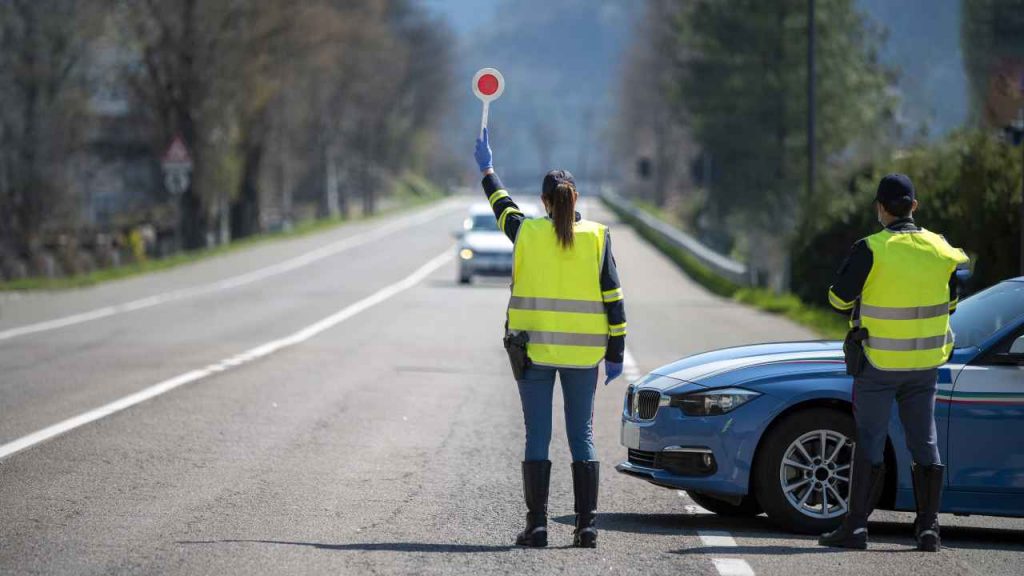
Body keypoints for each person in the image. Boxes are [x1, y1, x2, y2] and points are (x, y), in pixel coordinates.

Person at [474, 128, 627, 549]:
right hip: (584, 358)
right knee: (583, 435)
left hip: (535, 353)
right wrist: (616, 352)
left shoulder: (526, 232)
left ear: (544, 201)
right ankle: (587, 527)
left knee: (537, 435)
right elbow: (614, 299)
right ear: (574, 199)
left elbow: (500, 204)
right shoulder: (598, 237)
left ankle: (537, 525)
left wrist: (488, 169)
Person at [820, 174, 968, 552]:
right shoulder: (940, 248)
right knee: (925, 441)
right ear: (914, 207)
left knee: (869, 439)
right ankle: (929, 530)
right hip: (925, 365)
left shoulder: (871, 248)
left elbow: (838, 300)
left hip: (879, 363)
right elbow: (950, 305)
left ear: (880, 208)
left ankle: (855, 528)